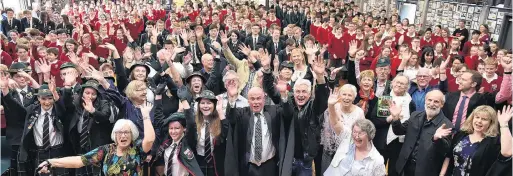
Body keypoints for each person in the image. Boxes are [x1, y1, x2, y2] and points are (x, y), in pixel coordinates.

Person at [36, 106, 155, 176]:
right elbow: (79, 161)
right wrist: (51, 162)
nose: (123, 135)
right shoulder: (106, 150)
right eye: (119, 132)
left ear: (132, 134)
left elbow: (149, 140)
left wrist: (146, 115)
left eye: (126, 132)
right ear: (115, 134)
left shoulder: (137, 149)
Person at [390, 90, 453, 176]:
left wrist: (436, 139)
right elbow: (398, 131)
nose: (431, 104)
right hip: (404, 166)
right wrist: (396, 118)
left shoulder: (446, 125)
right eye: (429, 100)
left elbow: (444, 152)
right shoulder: (415, 116)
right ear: (425, 101)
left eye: (436, 101)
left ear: (442, 104)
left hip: (424, 171)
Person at [225, 87, 285, 175]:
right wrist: (232, 99)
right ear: (248, 101)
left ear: (264, 99)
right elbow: (231, 117)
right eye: (252, 99)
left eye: (258, 98)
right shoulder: (242, 113)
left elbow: (288, 112)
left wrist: (283, 95)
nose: (256, 102)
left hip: (269, 165)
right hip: (249, 167)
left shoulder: (273, 111)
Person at [440, 105, 512, 176]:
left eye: (484, 119)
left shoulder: (493, 142)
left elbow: (507, 153)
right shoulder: (461, 135)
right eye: (477, 117)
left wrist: (504, 124)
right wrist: (442, 174)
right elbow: (449, 156)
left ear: (491, 123)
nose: (479, 121)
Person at [321, 85, 365, 173]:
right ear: (339, 96)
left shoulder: (359, 112)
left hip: (349, 153)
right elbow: (327, 128)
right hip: (330, 151)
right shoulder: (333, 107)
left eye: (350, 95)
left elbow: (362, 132)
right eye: (344, 94)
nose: (346, 98)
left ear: (354, 97)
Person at [154, 100, 204, 176]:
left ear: (184, 128)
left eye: (177, 128)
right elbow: (159, 120)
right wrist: (158, 96)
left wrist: (184, 101)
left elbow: (191, 124)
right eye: (171, 128)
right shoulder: (167, 142)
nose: (173, 131)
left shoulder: (188, 142)